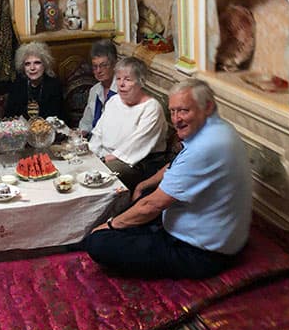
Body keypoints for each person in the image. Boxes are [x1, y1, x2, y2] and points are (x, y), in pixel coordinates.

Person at [82, 79, 252, 279]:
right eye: (172, 111)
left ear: (207, 106)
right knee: (144, 192)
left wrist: (108, 226)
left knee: (98, 243)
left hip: (199, 253)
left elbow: (151, 206)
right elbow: (175, 165)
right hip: (208, 233)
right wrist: (145, 184)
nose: (176, 119)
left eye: (183, 111)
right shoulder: (219, 128)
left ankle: (101, 234)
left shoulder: (206, 146)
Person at [88, 57, 167, 190]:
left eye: (128, 79)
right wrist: (91, 153)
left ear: (141, 82)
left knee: (99, 177)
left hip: (136, 163)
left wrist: (108, 158)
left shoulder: (151, 107)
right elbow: (98, 132)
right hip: (106, 156)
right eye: (118, 79)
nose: (121, 84)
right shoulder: (114, 101)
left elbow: (138, 143)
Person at [5, 42, 65, 120]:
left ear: (45, 65)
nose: (32, 68)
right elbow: (9, 116)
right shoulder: (17, 85)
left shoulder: (54, 85)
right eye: (27, 64)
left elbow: (58, 118)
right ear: (23, 67)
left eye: (37, 63)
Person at [78, 40, 118, 136]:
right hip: (94, 142)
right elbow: (86, 123)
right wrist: (80, 134)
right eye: (95, 66)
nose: (99, 71)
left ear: (114, 64)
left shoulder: (122, 90)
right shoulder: (94, 91)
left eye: (103, 65)